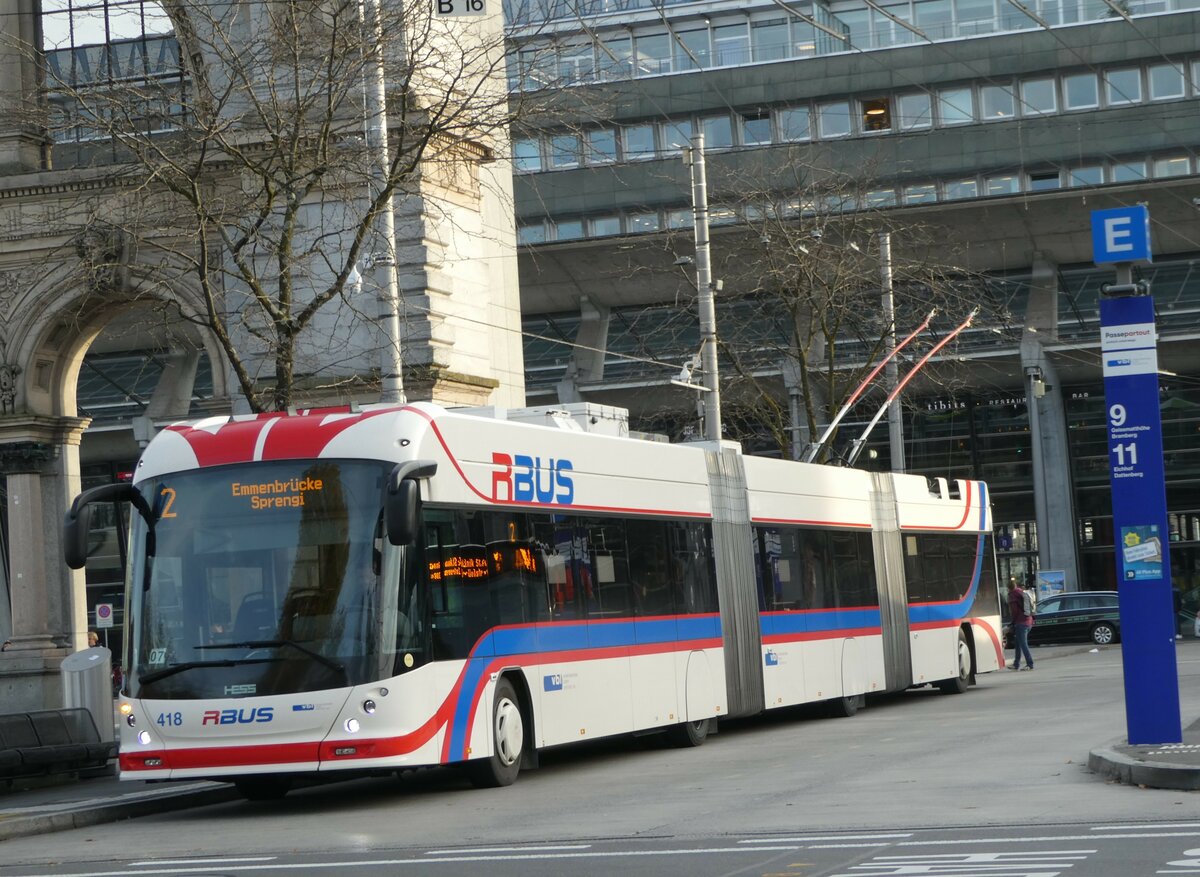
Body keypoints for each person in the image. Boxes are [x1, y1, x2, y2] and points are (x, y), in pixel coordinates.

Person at [1007, 577, 1034, 671]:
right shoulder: (1021, 592)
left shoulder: (1013, 595)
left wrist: (1012, 622)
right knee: (1018, 644)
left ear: (1008, 588)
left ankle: (1030, 664)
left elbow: (1014, 611)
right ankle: (1016, 664)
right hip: (1029, 620)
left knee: (1023, 644)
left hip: (1021, 623)